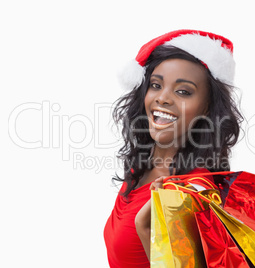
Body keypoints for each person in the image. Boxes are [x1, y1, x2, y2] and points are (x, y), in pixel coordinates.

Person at [103, 29, 243, 268]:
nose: (163, 98)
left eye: (183, 92)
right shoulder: (143, 165)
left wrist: (145, 229)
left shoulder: (192, 191)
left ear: (206, 108)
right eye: (156, 85)